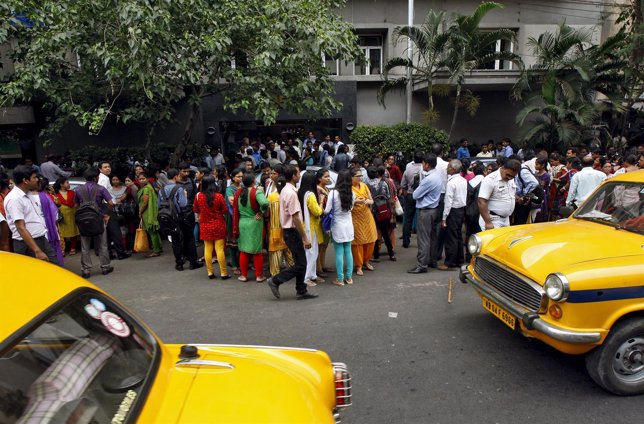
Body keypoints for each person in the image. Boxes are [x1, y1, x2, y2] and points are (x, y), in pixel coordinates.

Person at [266, 165, 318, 300]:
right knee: (301, 264)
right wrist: (305, 238)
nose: (300, 175)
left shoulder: (287, 190)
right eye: (298, 173)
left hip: (289, 231)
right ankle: (276, 280)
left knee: (300, 262)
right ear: (294, 176)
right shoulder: (290, 193)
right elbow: (295, 218)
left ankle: (301, 290)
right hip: (292, 231)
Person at [4, 165, 60, 264]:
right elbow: (20, 227)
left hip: (41, 239)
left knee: (56, 270)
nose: (37, 179)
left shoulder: (29, 194)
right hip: (28, 244)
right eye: (34, 177)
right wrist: (37, 250)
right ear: (25, 180)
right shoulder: (14, 199)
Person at [159, 168, 201, 271]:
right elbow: (183, 204)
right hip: (181, 216)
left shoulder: (161, 190)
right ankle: (193, 262)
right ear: (175, 177)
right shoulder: (179, 188)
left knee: (175, 240)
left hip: (169, 218)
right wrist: (185, 196)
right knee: (189, 238)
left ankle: (179, 263)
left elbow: (159, 205)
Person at [75, 168, 114, 277]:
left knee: (85, 246)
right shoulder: (101, 189)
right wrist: (107, 214)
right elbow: (111, 203)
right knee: (102, 244)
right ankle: (105, 267)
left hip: (83, 221)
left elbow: (76, 205)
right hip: (98, 219)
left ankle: (86, 270)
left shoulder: (78, 189)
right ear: (95, 178)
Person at [407, 155, 442, 274]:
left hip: (426, 210)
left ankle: (422, 265)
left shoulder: (429, 179)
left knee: (424, 238)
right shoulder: (437, 175)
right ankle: (432, 260)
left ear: (427, 164)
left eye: (423, 163)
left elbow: (415, 195)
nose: (422, 165)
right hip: (434, 209)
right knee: (432, 237)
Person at [233, 173, 269, 282]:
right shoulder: (256, 192)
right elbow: (265, 203)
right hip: (255, 222)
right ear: (253, 181)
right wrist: (261, 212)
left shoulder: (238, 192)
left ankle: (243, 276)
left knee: (244, 250)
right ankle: (259, 276)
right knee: (257, 251)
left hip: (242, 223)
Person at [194, 176, 229, 280]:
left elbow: (195, 209)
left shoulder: (198, 196)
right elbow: (225, 210)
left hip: (204, 225)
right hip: (218, 225)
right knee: (219, 250)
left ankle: (210, 272)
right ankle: (223, 273)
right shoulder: (219, 196)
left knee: (207, 249)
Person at [324, 169, 354, 285]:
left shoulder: (333, 193)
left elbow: (327, 211)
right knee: (348, 251)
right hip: (348, 225)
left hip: (337, 225)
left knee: (339, 253)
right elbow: (351, 209)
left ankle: (340, 279)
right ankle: (349, 277)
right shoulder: (352, 193)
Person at [439, 160, 467, 270]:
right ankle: (459, 260)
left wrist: (444, 218)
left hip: (453, 211)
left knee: (451, 238)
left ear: (454, 169)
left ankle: (450, 263)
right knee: (458, 236)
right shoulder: (463, 180)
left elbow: (448, 201)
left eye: (449, 167)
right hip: (460, 210)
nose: (447, 169)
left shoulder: (451, 183)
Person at [349, 167, 378, 276]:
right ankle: (359, 265)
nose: (360, 178)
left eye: (361, 176)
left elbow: (371, 200)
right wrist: (356, 201)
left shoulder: (364, 186)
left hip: (366, 215)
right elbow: (348, 203)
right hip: (355, 217)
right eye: (358, 176)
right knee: (358, 243)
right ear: (351, 177)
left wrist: (366, 201)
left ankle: (366, 261)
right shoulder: (349, 188)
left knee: (371, 239)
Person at [477, 159, 521, 230]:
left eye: (512, 176)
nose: (509, 178)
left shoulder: (510, 178)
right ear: (503, 167)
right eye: (508, 175)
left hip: (506, 220)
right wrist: (488, 223)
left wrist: (518, 199)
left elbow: (509, 194)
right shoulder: (490, 179)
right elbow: (481, 201)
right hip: (493, 220)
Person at [299, 171, 325, 287]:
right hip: (311, 228)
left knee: (310, 252)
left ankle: (312, 274)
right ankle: (307, 277)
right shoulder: (311, 195)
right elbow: (317, 212)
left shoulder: (301, 192)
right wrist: (321, 202)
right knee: (311, 253)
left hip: (305, 225)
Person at [267, 175, 294, 277]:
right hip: (288, 228)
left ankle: (275, 274)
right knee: (289, 251)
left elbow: (267, 213)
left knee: (275, 253)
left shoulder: (271, 197)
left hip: (275, 229)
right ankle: (295, 270)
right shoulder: (290, 195)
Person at [367, 166, 396, 261]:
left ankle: (376, 255)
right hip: (383, 210)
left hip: (373, 211)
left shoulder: (367, 185)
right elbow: (388, 196)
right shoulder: (384, 183)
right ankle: (391, 253)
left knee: (375, 233)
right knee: (385, 233)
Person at [400, 149, 424, 248]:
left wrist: (405, 191)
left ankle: (406, 241)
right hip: (422, 196)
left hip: (410, 195)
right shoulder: (425, 169)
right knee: (422, 220)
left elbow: (402, 184)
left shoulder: (408, 169)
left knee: (408, 219)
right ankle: (422, 243)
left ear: (413, 158)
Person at [137, 172, 163, 257]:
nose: (141, 180)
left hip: (148, 213)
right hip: (150, 212)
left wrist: (140, 212)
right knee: (155, 231)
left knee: (152, 232)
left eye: (143, 178)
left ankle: (156, 250)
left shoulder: (146, 189)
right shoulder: (148, 187)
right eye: (140, 179)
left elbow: (145, 202)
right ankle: (159, 247)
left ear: (147, 179)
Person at [53, 176, 79, 256]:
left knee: (73, 231)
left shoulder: (72, 192)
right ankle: (62, 249)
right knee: (62, 233)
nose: (69, 184)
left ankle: (73, 247)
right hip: (61, 216)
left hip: (72, 214)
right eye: (67, 182)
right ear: (61, 184)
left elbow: (76, 203)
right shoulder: (56, 194)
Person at [225, 168, 243, 275]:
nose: (240, 178)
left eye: (241, 176)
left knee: (242, 241)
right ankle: (234, 264)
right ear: (233, 177)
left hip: (242, 217)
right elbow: (232, 203)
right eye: (238, 176)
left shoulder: (243, 187)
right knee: (233, 243)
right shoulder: (229, 189)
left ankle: (242, 263)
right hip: (233, 218)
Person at [316, 168, 333, 276]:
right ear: (319, 178)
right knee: (320, 245)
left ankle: (322, 265)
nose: (328, 178)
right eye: (325, 176)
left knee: (325, 245)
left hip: (327, 220)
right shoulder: (317, 190)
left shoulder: (326, 188)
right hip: (320, 220)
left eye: (328, 176)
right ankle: (318, 269)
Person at [533, 156, 551, 222]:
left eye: (537, 164)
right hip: (535, 196)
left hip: (542, 196)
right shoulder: (535, 173)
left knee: (540, 215)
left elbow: (542, 186)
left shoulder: (546, 176)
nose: (535, 166)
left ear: (543, 165)